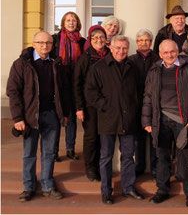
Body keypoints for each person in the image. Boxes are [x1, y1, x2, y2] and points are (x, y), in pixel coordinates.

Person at [6, 31, 70, 202]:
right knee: (29, 153)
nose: (45, 46)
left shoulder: (57, 63)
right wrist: (17, 118)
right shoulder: (22, 64)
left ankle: (48, 185)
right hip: (30, 116)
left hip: (52, 115)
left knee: (49, 152)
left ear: (52, 45)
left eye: (48, 43)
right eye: (40, 42)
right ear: (33, 44)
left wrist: (65, 113)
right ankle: (29, 186)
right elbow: (13, 91)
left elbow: (64, 90)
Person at [142, 39, 188, 207]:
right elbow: (148, 97)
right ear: (160, 54)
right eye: (165, 52)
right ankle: (162, 190)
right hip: (160, 119)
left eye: (172, 51)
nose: (169, 55)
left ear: (177, 51)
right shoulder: (154, 70)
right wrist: (147, 120)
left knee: (185, 157)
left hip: (182, 121)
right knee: (162, 157)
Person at [86, 35, 144, 205]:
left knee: (128, 156)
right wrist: (106, 105)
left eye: (124, 48)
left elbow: (138, 92)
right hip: (108, 119)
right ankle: (106, 191)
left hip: (129, 119)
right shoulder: (99, 67)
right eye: (118, 48)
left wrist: (135, 110)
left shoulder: (133, 67)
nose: (121, 51)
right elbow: (90, 92)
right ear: (110, 47)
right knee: (106, 157)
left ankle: (128, 188)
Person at [74, 25, 110, 182]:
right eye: (95, 38)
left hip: (106, 104)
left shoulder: (110, 55)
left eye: (102, 37)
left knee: (104, 137)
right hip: (89, 105)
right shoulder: (85, 58)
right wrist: (79, 107)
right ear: (90, 40)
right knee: (91, 137)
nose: (99, 40)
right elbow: (76, 83)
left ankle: (101, 166)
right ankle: (90, 168)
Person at [52, 11, 86, 162]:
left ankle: (70, 149)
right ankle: (53, 152)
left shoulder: (82, 41)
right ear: (63, 23)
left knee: (71, 118)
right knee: (57, 118)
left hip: (75, 83)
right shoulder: (55, 39)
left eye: (74, 20)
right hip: (59, 83)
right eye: (68, 20)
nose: (71, 23)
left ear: (77, 23)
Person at [129, 29, 159, 179]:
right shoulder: (131, 60)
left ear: (151, 42)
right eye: (141, 40)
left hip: (154, 104)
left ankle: (155, 168)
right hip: (137, 104)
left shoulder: (158, 59)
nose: (144, 42)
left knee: (155, 138)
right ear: (137, 42)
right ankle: (139, 166)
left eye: (146, 40)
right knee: (138, 138)